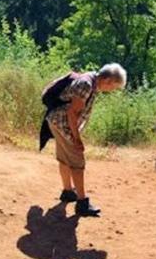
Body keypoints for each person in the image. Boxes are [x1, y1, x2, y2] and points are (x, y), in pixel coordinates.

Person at [40, 63, 127, 217]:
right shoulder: (86, 85)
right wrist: (77, 138)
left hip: (56, 121)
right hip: (62, 123)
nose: (112, 90)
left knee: (64, 158)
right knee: (77, 162)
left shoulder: (91, 81)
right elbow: (72, 114)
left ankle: (67, 191)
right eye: (113, 86)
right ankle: (82, 203)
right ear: (107, 80)